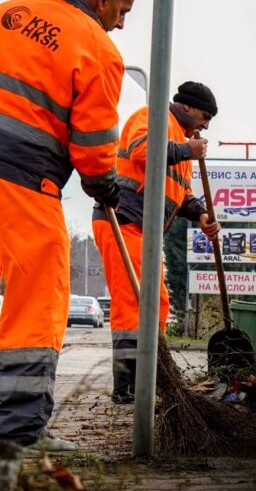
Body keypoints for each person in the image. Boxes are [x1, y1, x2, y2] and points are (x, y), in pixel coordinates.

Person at [0, 0, 135, 452]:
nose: (122, 23)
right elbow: (92, 142)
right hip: (23, 178)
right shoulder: (101, 50)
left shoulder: (8, 10)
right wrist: (105, 184)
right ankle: (20, 433)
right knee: (38, 295)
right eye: (123, 10)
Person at [92, 81, 221, 404]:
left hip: (144, 231)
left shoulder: (181, 140)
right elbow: (141, 151)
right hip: (122, 222)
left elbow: (180, 192)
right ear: (188, 107)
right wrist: (183, 151)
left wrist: (200, 213)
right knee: (131, 306)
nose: (206, 125)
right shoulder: (152, 117)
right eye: (205, 116)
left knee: (157, 302)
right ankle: (127, 386)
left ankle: (150, 375)